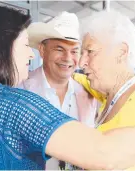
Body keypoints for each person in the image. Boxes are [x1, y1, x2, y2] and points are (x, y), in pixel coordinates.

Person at [0, 1, 135, 170]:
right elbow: (103, 152)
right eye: (25, 45)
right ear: (1, 49)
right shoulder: (11, 104)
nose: (30, 54)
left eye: (85, 51)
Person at [74, 10, 135, 170]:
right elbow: (78, 79)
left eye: (90, 52)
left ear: (121, 52)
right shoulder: (112, 93)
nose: (81, 62)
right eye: (82, 53)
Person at [18, 11, 97, 170]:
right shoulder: (20, 90)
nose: (68, 58)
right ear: (42, 50)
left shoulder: (89, 95)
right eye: (59, 49)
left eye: (74, 51)